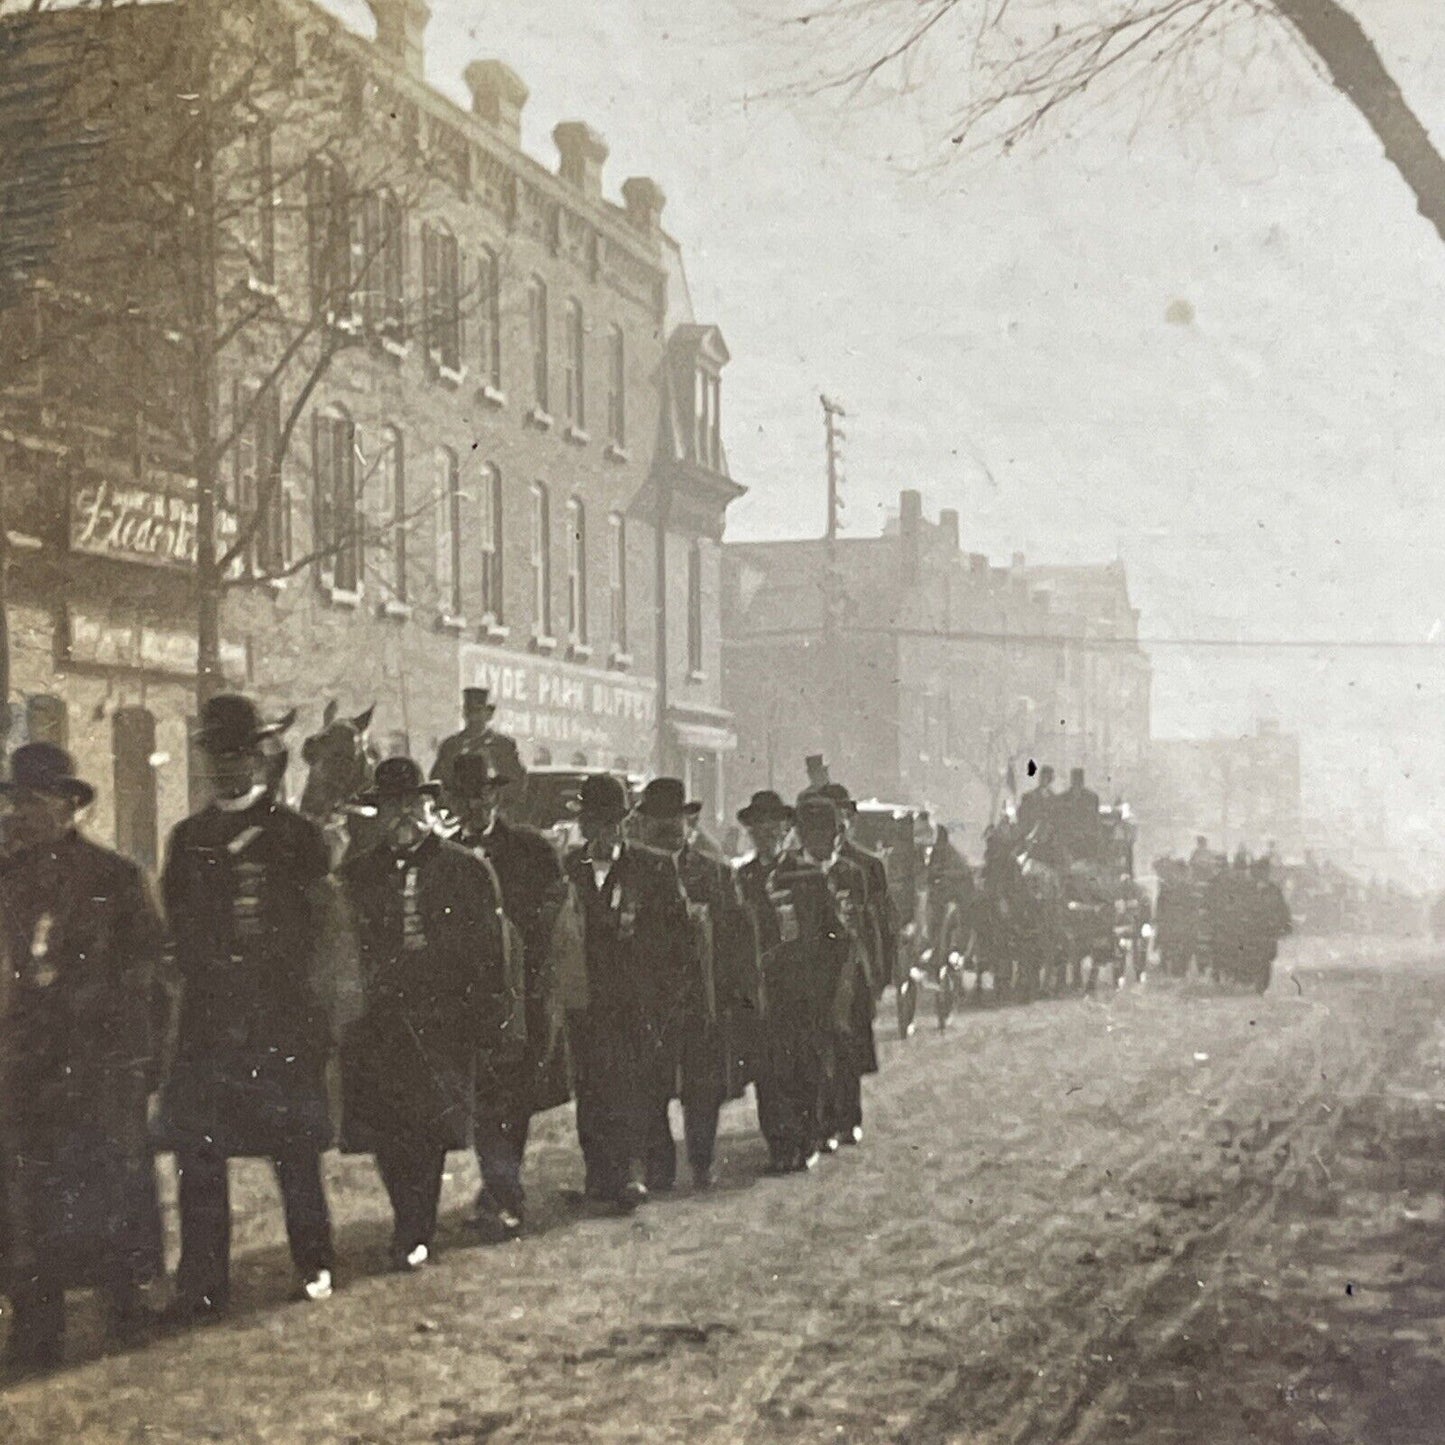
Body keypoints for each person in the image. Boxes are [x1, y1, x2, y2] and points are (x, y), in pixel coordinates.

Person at [158, 695, 337, 1317]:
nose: (227, 767)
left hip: (278, 1018)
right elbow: (176, 931)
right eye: (216, 755)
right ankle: (204, 1283)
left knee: (295, 1150)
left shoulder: (296, 836)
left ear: (260, 757)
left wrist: (310, 1015)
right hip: (211, 1022)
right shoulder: (188, 840)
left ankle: (314, 1263)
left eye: (238, 754)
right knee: (200, 1156)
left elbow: (320, 931)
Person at [0, 745, 167, 1373]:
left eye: (36, 802)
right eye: (16, 802)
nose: (22, 814)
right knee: (26, 1196)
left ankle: (124, 1309)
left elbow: (148, 970)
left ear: (71, 806)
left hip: (97, 1061)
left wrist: (136, 1053)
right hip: (25, 1062)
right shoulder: (8, 878)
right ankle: (35, 1327)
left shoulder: (115, 877)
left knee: (108, 1186)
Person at [338, 758, 510, 1269]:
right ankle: (406, 1218)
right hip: (381, 1024)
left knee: (427, 1130)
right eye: (393, 807)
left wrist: (488, 1017)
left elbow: (488, 952)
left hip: (442, 1023)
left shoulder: (464, 869)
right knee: (388, 1131)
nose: (404, 817)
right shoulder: (357, 873)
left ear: (429, 806)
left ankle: (416, 1229)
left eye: (413, 805)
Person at [451, 753, 581, 1240]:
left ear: (495, 796)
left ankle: (502, 1191)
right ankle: (501, 1189)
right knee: (487, 1096)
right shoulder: (447, 856)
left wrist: (520, 945)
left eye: (482, 796)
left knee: (515, 1095)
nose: (474, 806)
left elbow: (555, 909)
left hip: (524, 994)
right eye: (464, 799)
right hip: (474, 999)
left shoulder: (530, 849)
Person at [563, 775, 692, 1212]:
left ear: (624, 823)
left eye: (612, 822)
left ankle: (636, 1172)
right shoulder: (568, 869)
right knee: (592, 1091)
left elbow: (679, 943)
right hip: (585, 1007)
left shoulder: (653, 867)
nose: (603, 832)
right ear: (582, 824)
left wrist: (664, 1002)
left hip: (638, 1005)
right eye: (594, 822)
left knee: (638, 1090)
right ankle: (599, 1174)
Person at [630, 779, 759, 1192]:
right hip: (649, 1003)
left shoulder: (715, 874)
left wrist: (737, 999)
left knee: (702, 1091)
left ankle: (701, 1160)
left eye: (674, 821)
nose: (666, 829)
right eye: (656, 822)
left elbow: (738, 942)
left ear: (688, 823)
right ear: (643, 825)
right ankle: (659, 1166)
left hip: (702, 1001)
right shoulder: (631, 874)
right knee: (650, 1089)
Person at [734, 790, 829, 1174]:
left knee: (803, 1067)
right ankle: (778, 1143)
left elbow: (831, 935)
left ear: (787, 829)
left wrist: (820, 982)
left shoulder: (807, 875)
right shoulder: (743, 878)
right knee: (768, 1072)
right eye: (758, 826)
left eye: (773, 825)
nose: (766, 833)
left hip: (801, 991)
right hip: (761, 992)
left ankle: (805, 1139)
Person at [794, 793, 872, 1155]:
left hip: (847, 976)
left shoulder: (850, 874)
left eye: (829, 834)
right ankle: (821, 1124)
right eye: (815, 835)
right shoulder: (794, 872)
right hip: (808, 976)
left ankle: (849, 1118)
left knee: (846, 1048)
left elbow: (862, 926)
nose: (824, 842)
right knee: (813, 1053)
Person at [430, 688, 526, 818]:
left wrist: (494, 800)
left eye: (478, 711)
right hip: (457, 815)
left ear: (488, 714)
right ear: (464, 713)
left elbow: (517, 783)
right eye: (470, 712)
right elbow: (437, 781)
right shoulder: (451, 746)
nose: (474, 717)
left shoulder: (502, 746)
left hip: (493, 815)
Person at [1057, 768, 1103, 862]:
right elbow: (1060, 820)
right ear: (1072, 780)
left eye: (1079, 779)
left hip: (1086, 838)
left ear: (1082, 780)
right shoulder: (1062, 798)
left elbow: (1095, 819)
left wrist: (1094, 834)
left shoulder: (1091, 797)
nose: (1077, 782)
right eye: (1075, 779)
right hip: (1068, 839)